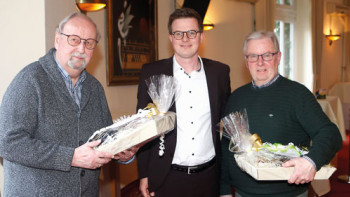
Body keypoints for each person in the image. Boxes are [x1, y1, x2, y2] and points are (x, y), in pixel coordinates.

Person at [0, 13, 138, 196]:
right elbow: (7, 142)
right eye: (74, 40)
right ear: (57, 40)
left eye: (89, 43)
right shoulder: (30, 80)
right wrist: (71, 157)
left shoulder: (95, 88)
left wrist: (122, 153)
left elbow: (104, 140)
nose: (81, 48)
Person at [220, 31, 343, 197]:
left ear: (278, 57)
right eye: (253, 56)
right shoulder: (236, 97)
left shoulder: (297, 94)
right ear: (246, 61)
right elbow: (226, 148)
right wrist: (225, 191)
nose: (260, 62)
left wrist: (311, 161)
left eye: (267, 55)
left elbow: (330, 133)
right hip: (243, 193)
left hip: (288, 192)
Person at [136, 7, 231, 197]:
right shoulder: (152, 72)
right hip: (166, 177)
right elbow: (142, 128)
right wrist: (144, 174)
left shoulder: (220, 73)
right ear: (171, 38)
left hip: (209, 177)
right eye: (179, 33)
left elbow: (227, 126)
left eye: (191, 33)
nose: (185, 39)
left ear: (201, 36)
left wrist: (225, 184)